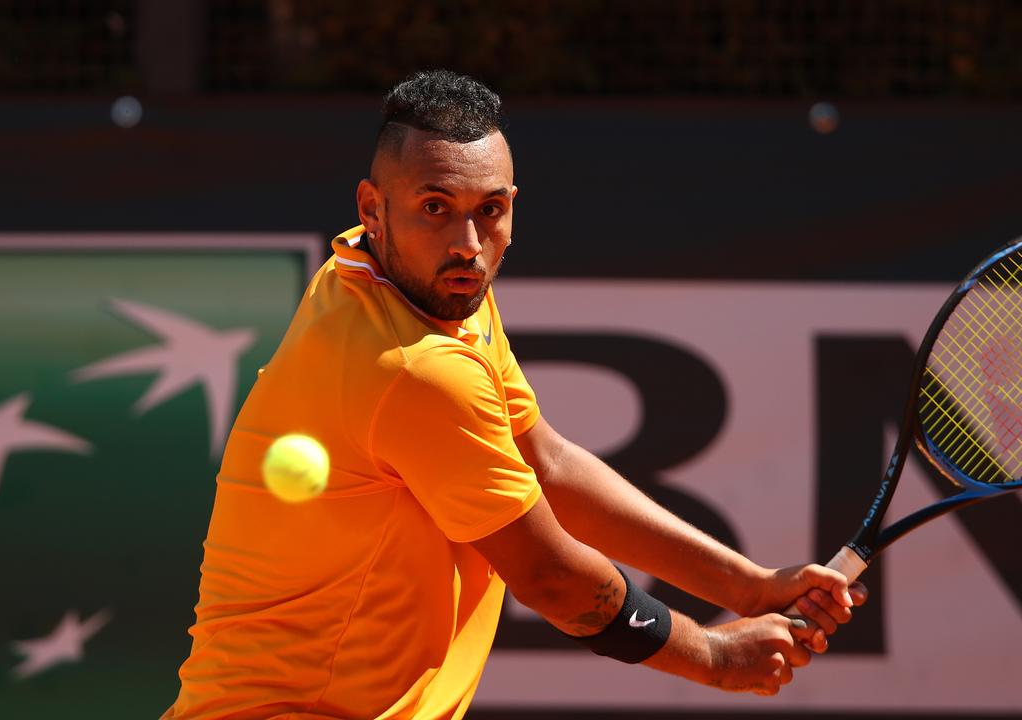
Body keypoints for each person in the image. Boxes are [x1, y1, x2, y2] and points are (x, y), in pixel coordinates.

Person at [162, 70, 866, 720]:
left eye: (488, 210)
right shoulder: (414, 369)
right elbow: (550, 576)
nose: (467, 243)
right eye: (434, 207)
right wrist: (713, 654)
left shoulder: (413, 285)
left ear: (512, 209)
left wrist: (749, 587)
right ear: (372, 208)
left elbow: (548, 465)